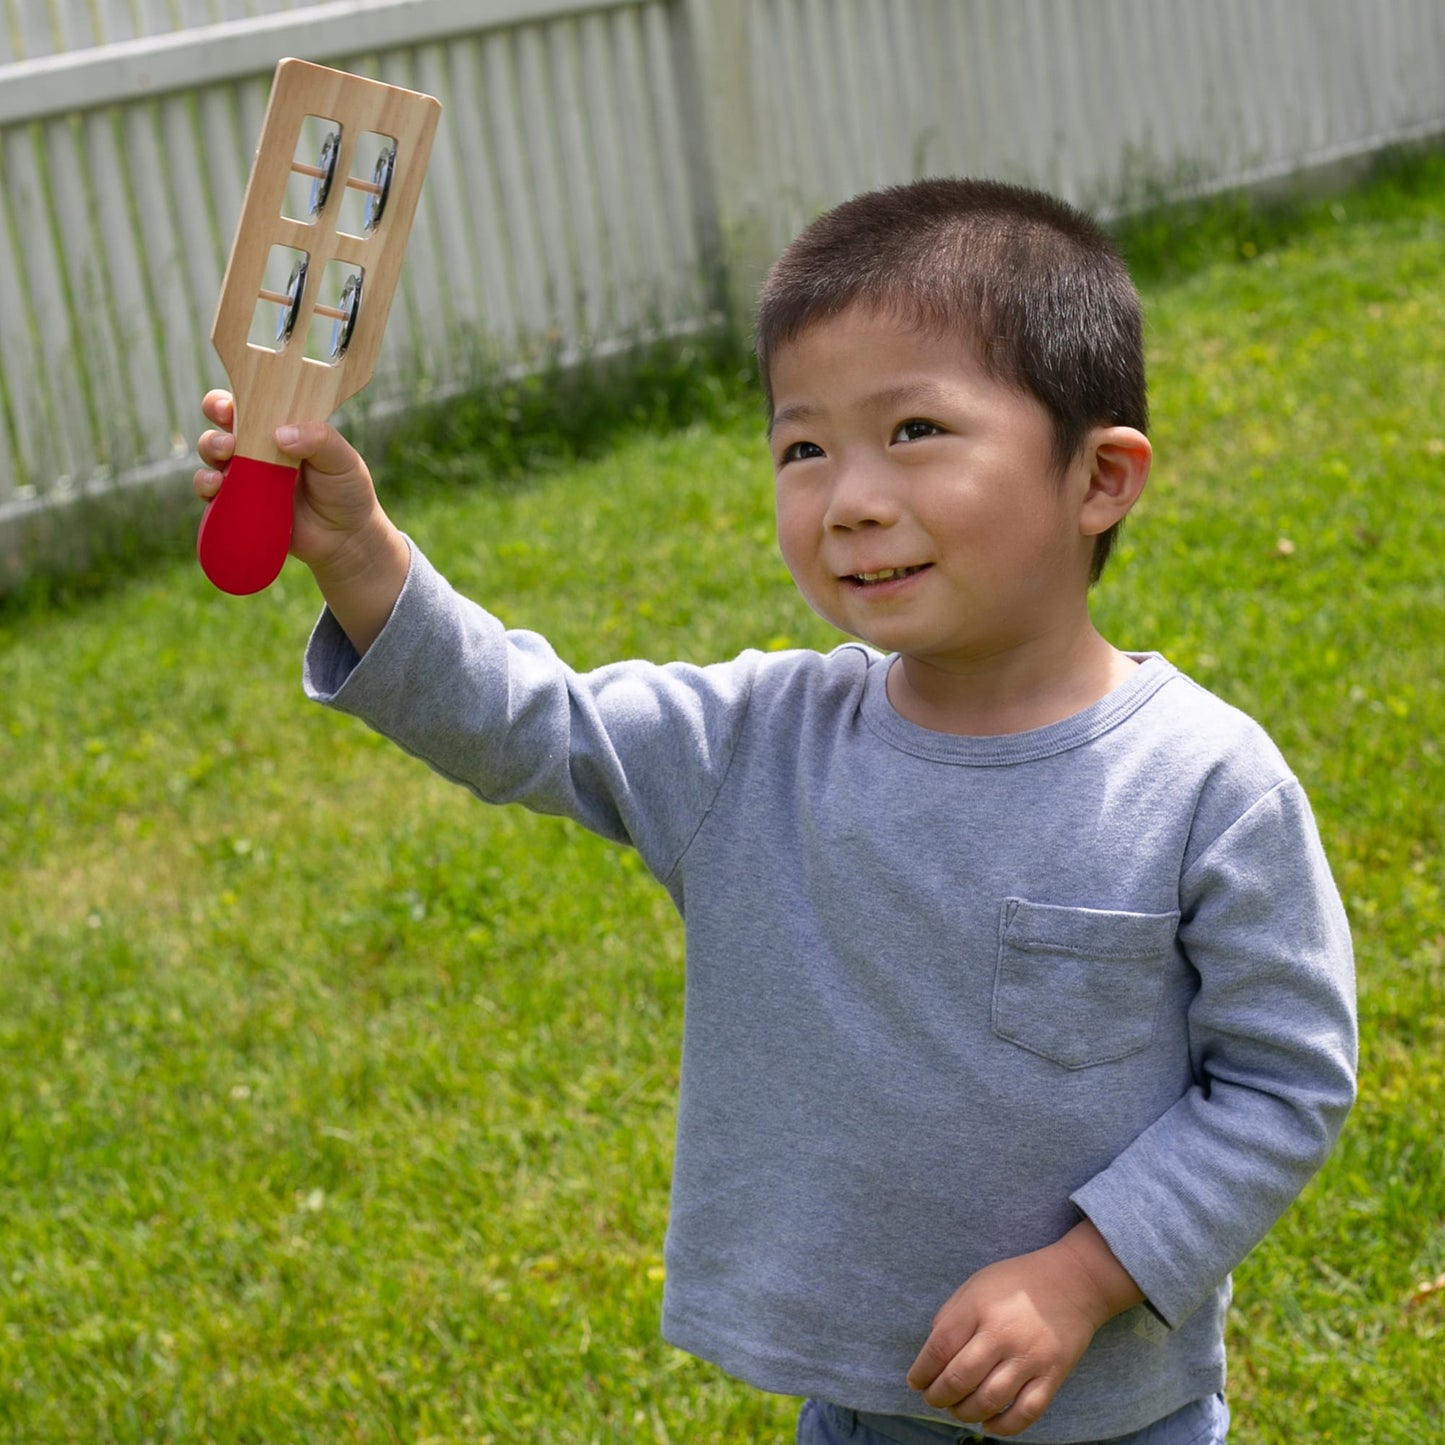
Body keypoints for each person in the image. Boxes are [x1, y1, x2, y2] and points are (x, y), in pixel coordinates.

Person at [194, 178, 1357, 1444]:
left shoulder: (1200, 783)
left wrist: (1082, 1274)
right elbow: (533, 723)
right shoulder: (755, 744)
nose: (848, 497)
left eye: (913, 429)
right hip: (855, 1407)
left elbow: (1280, 1080)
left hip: (1112, 1415)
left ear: (1099, 476)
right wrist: (362, 558)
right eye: (802, 448)